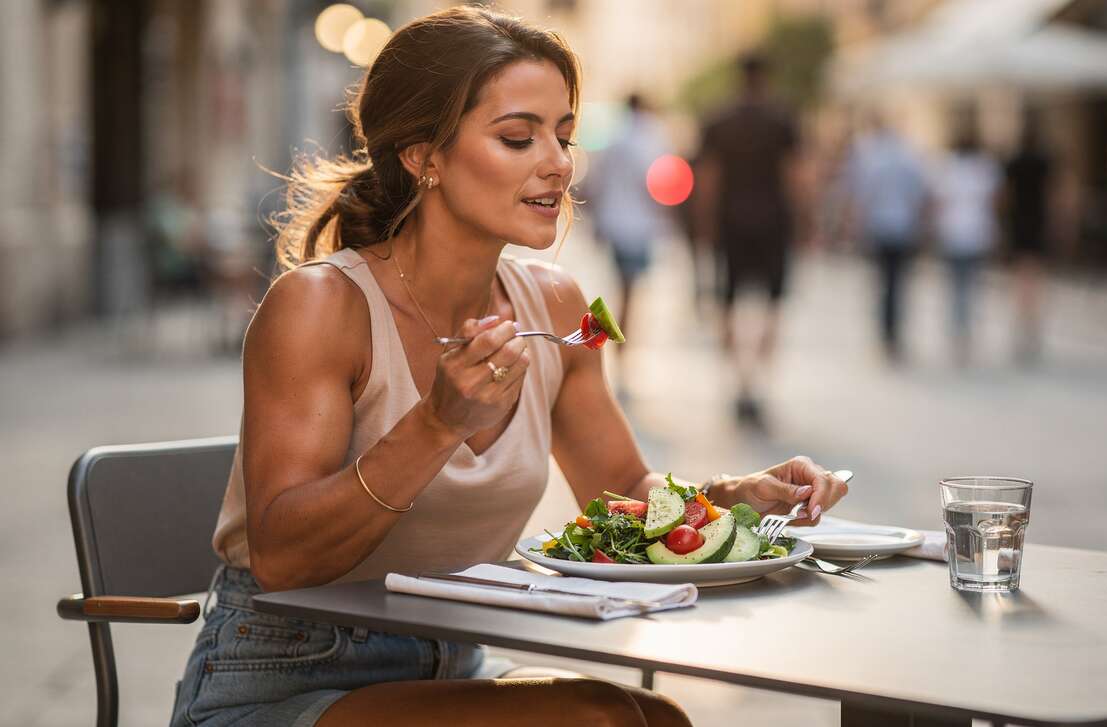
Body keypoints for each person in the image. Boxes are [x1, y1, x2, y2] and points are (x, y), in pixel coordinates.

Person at [170, 8, 850, 727]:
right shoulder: (318, 306)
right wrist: (436, 424)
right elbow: (282, 557)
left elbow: (619, 491)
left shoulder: (556, 306)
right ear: (422, 154)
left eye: (563, 135)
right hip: (284, 678)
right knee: (598, 718)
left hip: (455, 663)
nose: (557, 163)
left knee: (657, 717)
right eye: (518, 138)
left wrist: (734, 497)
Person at [695, 52, 801, 427]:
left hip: (731, 224)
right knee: (772, 308)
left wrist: (704, 226)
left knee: (728, 306)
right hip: (774, 223)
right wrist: (805, 222)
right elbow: (795, 176)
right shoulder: (782, 119)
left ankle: (739, 384)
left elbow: (708, 179)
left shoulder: (718, 120)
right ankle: (759, 385)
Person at [584, 92, 670, 387]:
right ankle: (620, 353)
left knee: (622, 290)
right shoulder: (647, 138)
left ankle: (618, 350)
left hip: (615, 223)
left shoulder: (614, 140)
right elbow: (658, 182)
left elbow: (596, 183)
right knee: (629, 294)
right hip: (637, 227)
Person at [843, 114, 927, 361]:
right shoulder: (908, 156)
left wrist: (855, 224)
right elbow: (919, 194)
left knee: (883, 285)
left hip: (878, 227)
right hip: (903, 228)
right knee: (897, 284)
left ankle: (886, 336)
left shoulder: (870, 157)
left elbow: (861, 195)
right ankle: (893, 335)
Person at [930, 127, 1000, 364]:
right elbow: (994, 201)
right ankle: (966, 330)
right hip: (977, 234)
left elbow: (938, 202)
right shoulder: (986, 168)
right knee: (971, 285)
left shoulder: (947, 167)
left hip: (952, 234)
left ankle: (958, 330)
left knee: (955, 286)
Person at [1003, 121, 1054, 362]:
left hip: (1018, 225)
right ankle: (1032, 325)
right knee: (1035, 278)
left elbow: (1004, 195)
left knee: (1021, 279)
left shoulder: (1012, 163)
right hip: (1038, 223)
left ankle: (1023, 322)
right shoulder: (1044, 163)